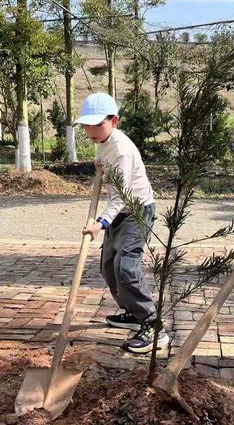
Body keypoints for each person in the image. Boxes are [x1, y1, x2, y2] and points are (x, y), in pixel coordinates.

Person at [75, 92, 169, 354]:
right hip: (120, 212)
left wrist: (99, 224)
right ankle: (131, 311)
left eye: (98, 124)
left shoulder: (122, 150)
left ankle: (152, 323)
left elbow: (121, 197)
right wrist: (99, 163)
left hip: (136, 211)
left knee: (125, 267)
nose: (91, 130)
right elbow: (105, 159)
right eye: (87, 125)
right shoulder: (104, 141)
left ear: (114, 120)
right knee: (108, 267)